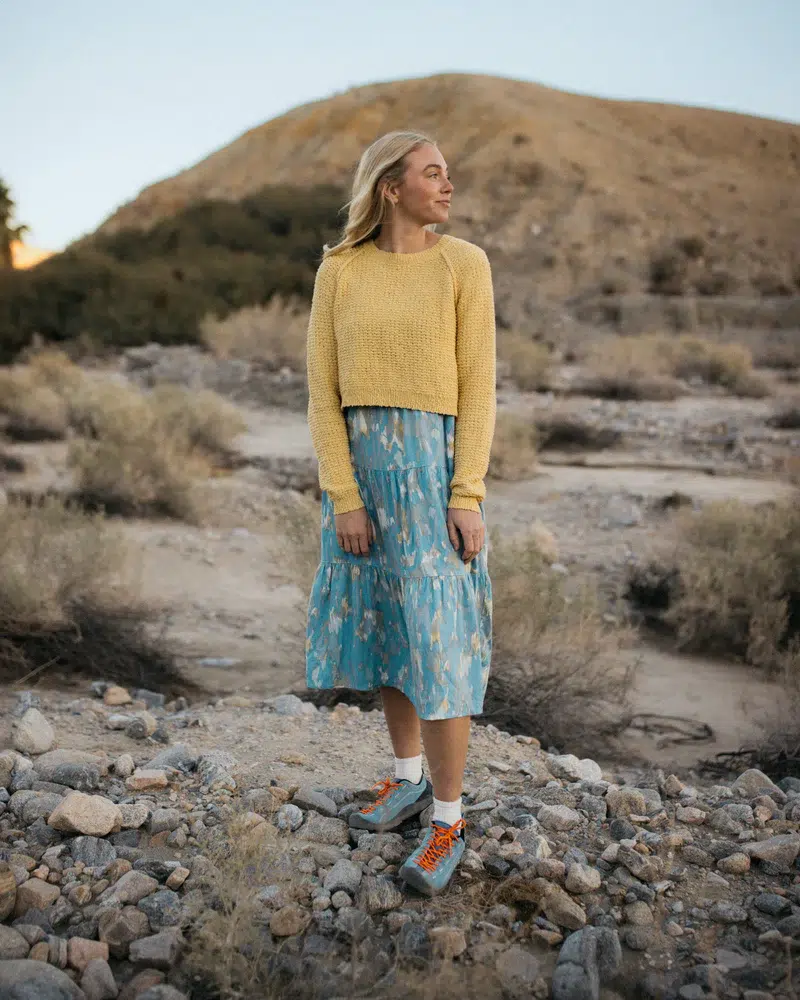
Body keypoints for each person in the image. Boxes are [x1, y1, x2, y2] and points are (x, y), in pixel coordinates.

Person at [304, 129, 496, 897]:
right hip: (363, 479)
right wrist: (344, 495)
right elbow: (323, 392)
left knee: (442, 644)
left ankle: (448, 818)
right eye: (432, 173)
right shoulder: (339, 270)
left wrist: (466, 492)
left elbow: (478, 388)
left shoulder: (465, 266)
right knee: (390, 630)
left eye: (448, 174)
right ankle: (406, 778)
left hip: (434, 471)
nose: (448, 186)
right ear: (391, 186)